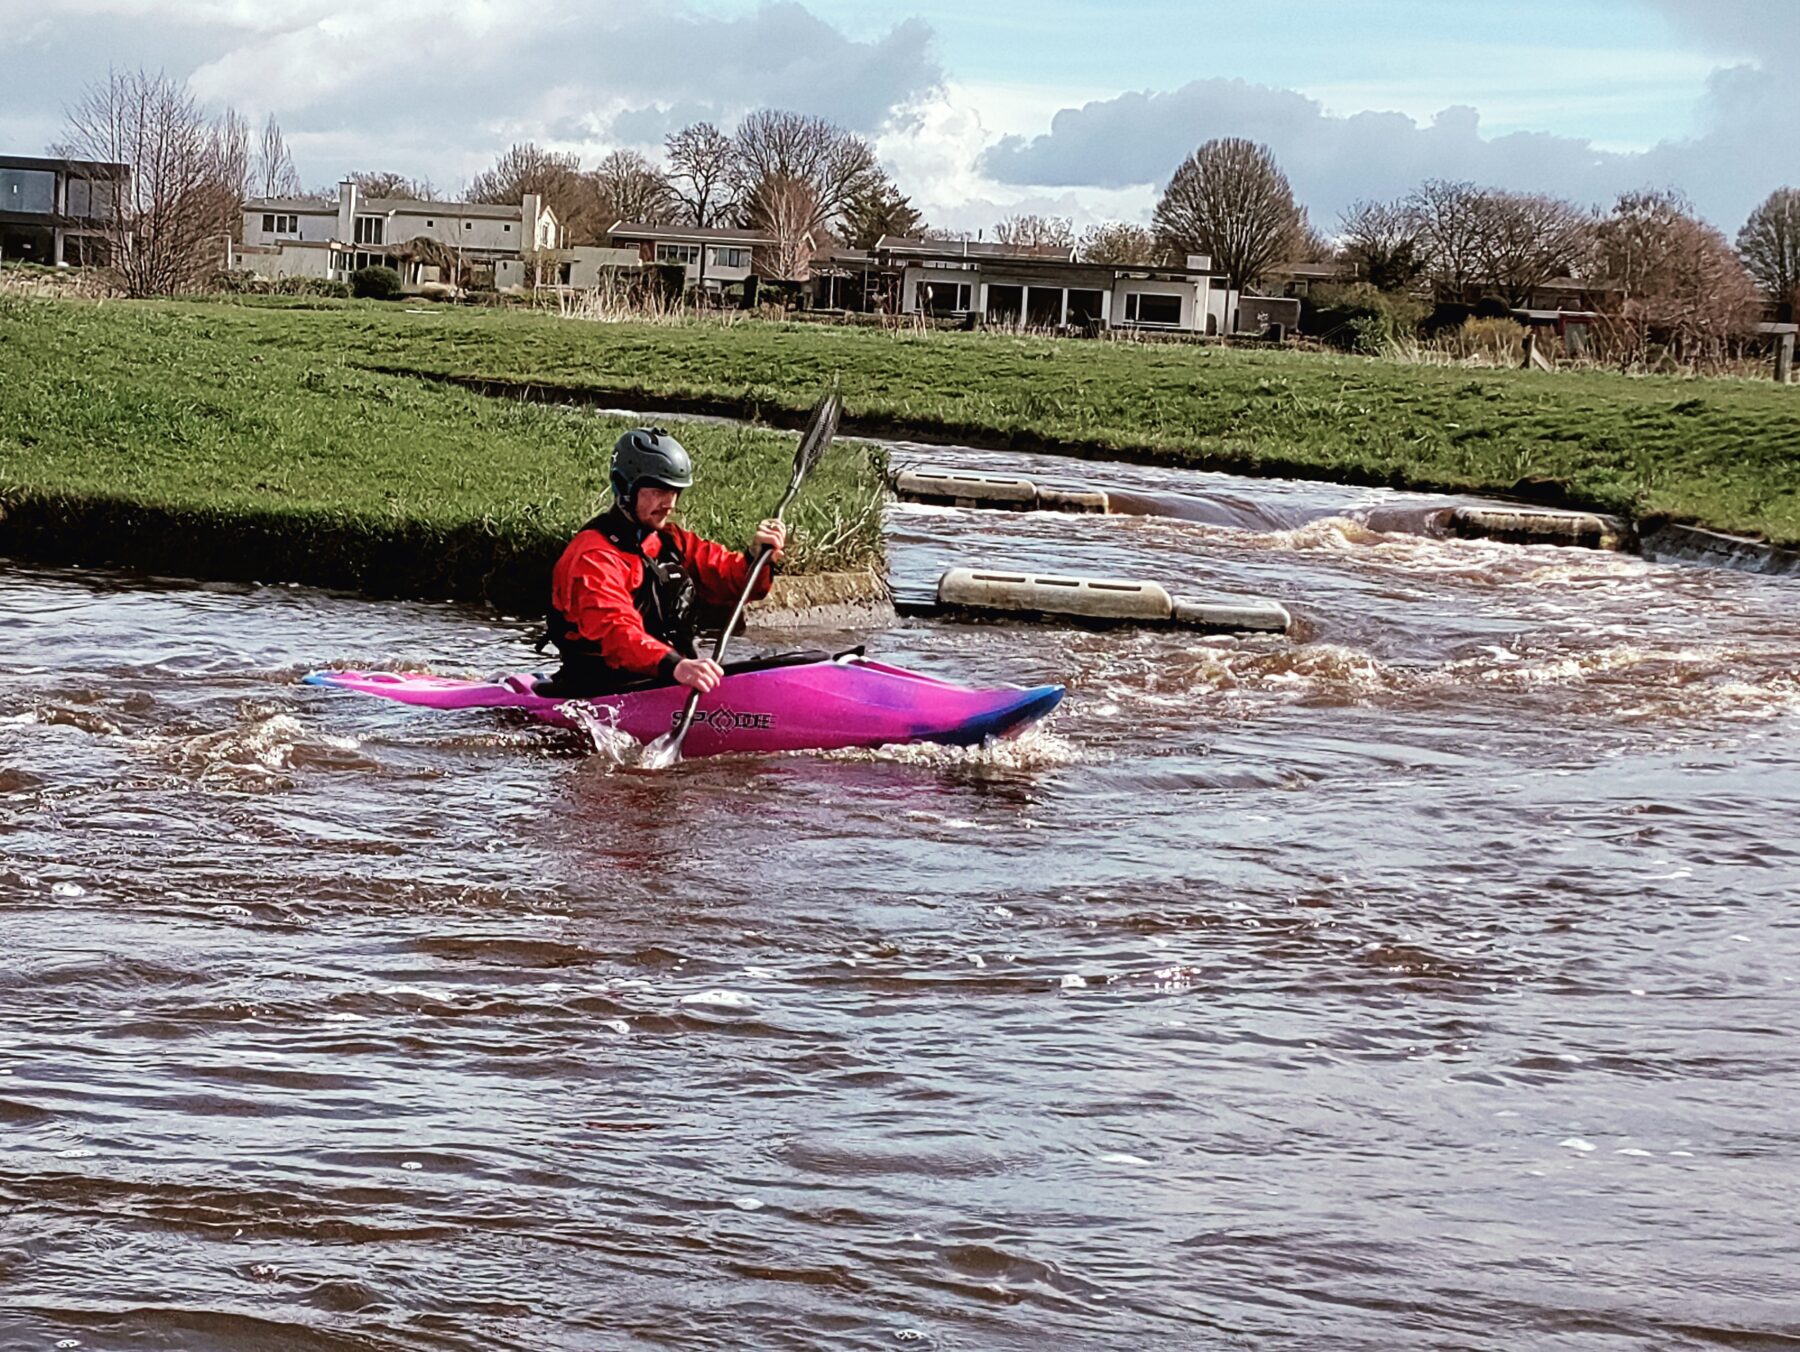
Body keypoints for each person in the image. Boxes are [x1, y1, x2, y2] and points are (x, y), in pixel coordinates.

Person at [538, 428, 785, 697]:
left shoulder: (670, 542)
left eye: (675, 492)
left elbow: (734, 581)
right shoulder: (593, 558)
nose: (669, 503)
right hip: (601, 691)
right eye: (658, 491)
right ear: (624, 487)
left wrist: (758, 557)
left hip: (664, 678)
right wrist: (677, 666)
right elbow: (616, 632)